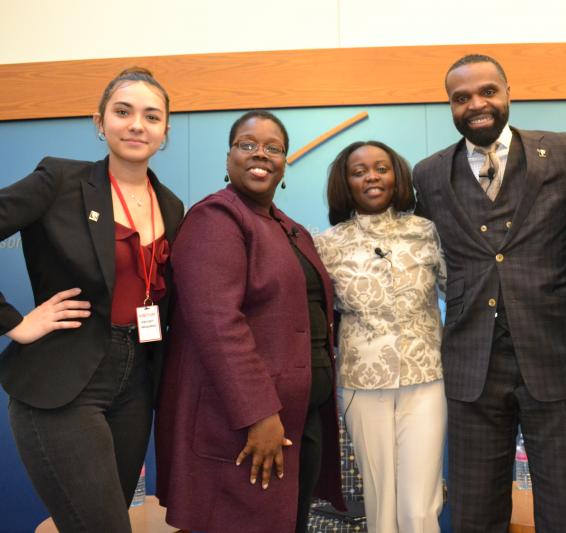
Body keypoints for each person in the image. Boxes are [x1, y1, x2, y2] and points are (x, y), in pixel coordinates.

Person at [412, 54, 566, 533]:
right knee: (474, 513)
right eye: (461, 97)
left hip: (554, 357)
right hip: (471, 365)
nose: (476, 104)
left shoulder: (563, 151)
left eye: (487, 92)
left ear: (508, 92)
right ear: (450, 105)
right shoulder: (428, 174)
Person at [0, 67, 184, 532]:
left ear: (165, 131)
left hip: (137, 382)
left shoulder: (173, 206)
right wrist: (13, 323)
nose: (136, 125)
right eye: (122, 112)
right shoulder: (58, 180)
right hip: (65, 381)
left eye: (151, 116)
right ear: (99, 122)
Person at [155, 110, 344, 533]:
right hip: (245, 423)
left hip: (301, 419)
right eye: (247, 144)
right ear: (228, 158)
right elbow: (219, 326)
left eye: (273, 147)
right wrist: (260, 414)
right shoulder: (215, 219)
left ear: (284, 163)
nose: (260, 154)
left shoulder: (290, 228)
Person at [315, 141, 447, 533]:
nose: (371, 177)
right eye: (359, 171)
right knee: (380, 504)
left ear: (396, 176)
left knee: (419, 507)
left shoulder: (427, 231)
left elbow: (459, 292)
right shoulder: (327, 244)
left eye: (381, 168)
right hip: (362, 384)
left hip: (426, 379)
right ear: (346, 182)